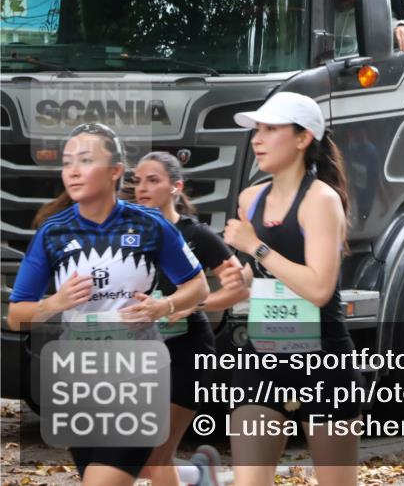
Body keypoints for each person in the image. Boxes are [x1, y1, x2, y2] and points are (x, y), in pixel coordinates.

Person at [7, 122, 210, 486]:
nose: (72, 170)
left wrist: (163, 307)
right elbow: (16, 316)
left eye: (85, 160)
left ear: (116, 171)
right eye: (67, 161)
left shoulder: (150, 226)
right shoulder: (52, 233)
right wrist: (56, 301)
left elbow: (198, 286)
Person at [224, 91, 361, 486]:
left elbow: (319, 288)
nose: (257, 139)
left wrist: (256, 247)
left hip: (323, 358)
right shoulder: (250, 199)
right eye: (256, 130)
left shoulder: (321, 200)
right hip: (264, 356)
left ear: (303, 138)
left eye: (270, 129)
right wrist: (241, 279)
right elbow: (259, 276)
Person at [133, 151, 249, 486]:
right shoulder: (129, 235)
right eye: (137, 180)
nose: (142, 187)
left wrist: (193, 304)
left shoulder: (195, 235)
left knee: (155, 456)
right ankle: (198, 474)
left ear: (176, 187)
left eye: (153, 180)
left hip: (186, 351)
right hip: (141, 354)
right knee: (135, 461)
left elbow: (239, 288)